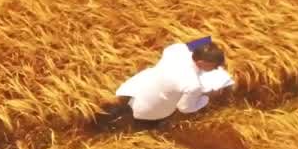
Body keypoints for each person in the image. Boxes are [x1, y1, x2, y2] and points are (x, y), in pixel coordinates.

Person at [94, 36, 234, 131]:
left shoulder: (177, 50)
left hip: (139, 88)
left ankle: (99, 120)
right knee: (140, 126)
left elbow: (194, 44)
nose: (216, 69)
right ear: (201, 62)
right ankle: (114, 131)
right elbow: (185, 108)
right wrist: (205, 98)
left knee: (122, 108)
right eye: (214, 66)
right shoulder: (193, 84)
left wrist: (210, 46)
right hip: (153, 109)